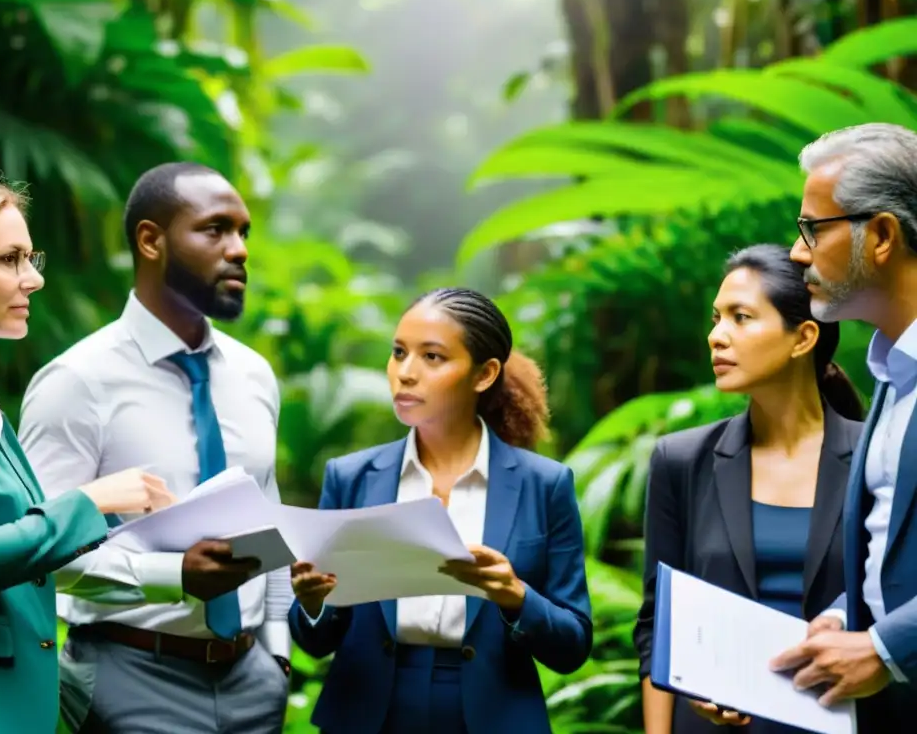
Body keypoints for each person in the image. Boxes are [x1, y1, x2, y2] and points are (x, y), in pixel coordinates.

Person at [18, 162, 294, 734]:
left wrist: (278, 655)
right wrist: (170, 574)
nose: (239, 249)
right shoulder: (76, 382)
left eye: (244, 232)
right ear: (151, 240)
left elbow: (268, 524)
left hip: (253, 685)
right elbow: (37, 553)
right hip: (130, 676)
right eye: (215, 230)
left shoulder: (254, 376)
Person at [0, 175, 174, 734]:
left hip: (3, 691)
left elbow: (26, 553)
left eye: (31, 257)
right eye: (11, 259)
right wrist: (91, 498)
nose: (34, 278)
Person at [289, 287, 593, 734]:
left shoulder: (544, 484)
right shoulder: (351, 477)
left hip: (492, 714)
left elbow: (574, 644)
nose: (405, 373)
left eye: (432, 357)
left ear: (484, 373)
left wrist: (516, 596)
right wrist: (314, 601)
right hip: (370, 712)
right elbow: (313, 639)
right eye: (398, 353)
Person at [636, 244, 866, 734]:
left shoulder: (877, 457)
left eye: (741, 318)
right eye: (716, 318)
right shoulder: (680, 461)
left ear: (803, 337)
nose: (716, 337)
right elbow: (658, 627)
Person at [769, 123, 917, 730]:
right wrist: (844, 615)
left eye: (813, 227)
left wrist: (887, 647)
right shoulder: (892, 373)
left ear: (881, 236)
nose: (798, 251)